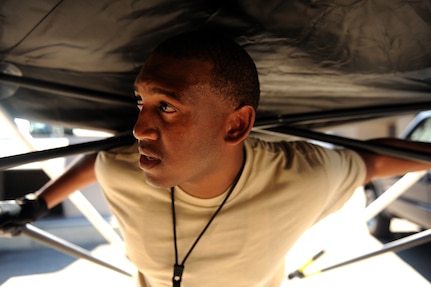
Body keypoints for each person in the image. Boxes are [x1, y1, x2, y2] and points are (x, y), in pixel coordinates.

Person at [1, 31, 431, 287]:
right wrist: (36, 204)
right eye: (140, 102)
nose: (139, 129)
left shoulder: (300, 177)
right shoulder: (121, 169)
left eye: (167, 106)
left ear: (235, 126)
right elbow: (97, 163)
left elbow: (372, 162)